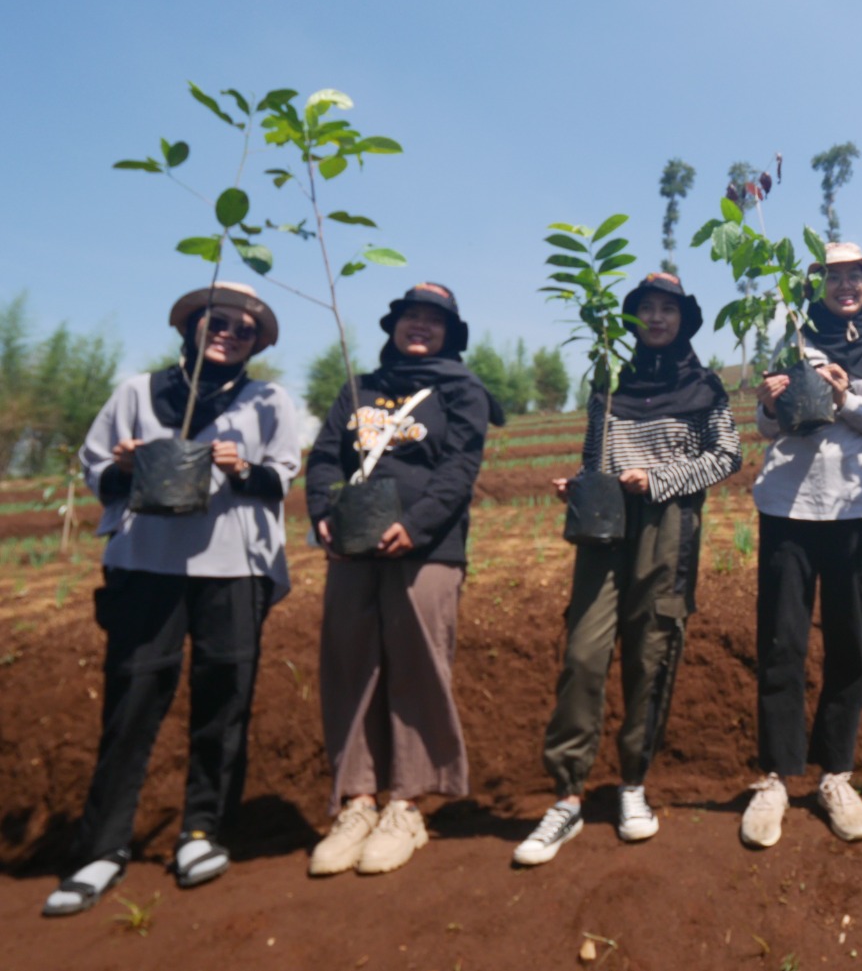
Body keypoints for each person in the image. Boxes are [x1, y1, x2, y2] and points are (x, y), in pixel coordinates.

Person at [45, 283, 299, 916]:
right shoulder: (137, 392)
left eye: (245, 330)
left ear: (256, 344)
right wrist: (128, 468)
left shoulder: (268, 400)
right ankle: (102, 848)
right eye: (219, 322)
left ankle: (202, 829)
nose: (230, 334)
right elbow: (94, 470)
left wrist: (240, 466)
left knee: (225, 696)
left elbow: (281, 479)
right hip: (147, 564)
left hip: (232, 568)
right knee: (132, 696)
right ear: (192, 326)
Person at [514, 272, 742, 866]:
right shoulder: (610, 383)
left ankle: (633, 786)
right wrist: (580, 484)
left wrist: (661, 480)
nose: (657, 318)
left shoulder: (704, 386)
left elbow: (728, 455)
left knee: (652, 652)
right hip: (604, 527)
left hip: (666, 530)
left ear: (683, 320)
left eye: (668, 309)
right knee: (583, 655)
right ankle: (566, 797)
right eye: (646, 310)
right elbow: (597, 455)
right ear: (632, 321)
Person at [304, 283, 502, 875]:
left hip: (428, 550)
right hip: (354, 548)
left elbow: (460, 468)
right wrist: (322, 514)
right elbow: (322, 459)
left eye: (433, 320)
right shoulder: (359, 387)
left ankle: (406, 806)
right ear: (394, 327)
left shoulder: (461, 391)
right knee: (351, 664)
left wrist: (414, 526)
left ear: (449, 333)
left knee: (416, 665)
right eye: (411, 317)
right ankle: (358, 801)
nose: (421, 326)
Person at [738, 243, 862, 848]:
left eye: (855, 276)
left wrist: (846, 399)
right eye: (835, 276)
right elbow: (766, 425)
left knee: (849, 643)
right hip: (789, 508)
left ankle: (835, 774)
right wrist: (767, 406)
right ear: (818, 285)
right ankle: (775, 778)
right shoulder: (791, 345)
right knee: (782, 642)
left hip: (861, 510)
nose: (846, 285)